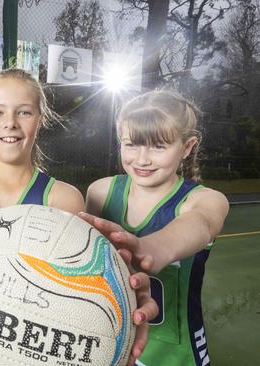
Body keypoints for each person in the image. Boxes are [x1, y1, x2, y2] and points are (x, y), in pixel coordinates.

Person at [0, 69, 157, 366]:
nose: (9, 123)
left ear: (40, 119)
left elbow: (80, 288)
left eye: (24, 112)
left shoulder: (62, 198)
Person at [81, 90, 229, 366]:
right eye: (131, 144)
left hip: (174, 351)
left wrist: (151, 248)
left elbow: (201, 223)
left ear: (187, 147)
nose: (142, 159)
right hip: (109, 340)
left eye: (158, 146)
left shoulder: (204, 200)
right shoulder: (100, 192)